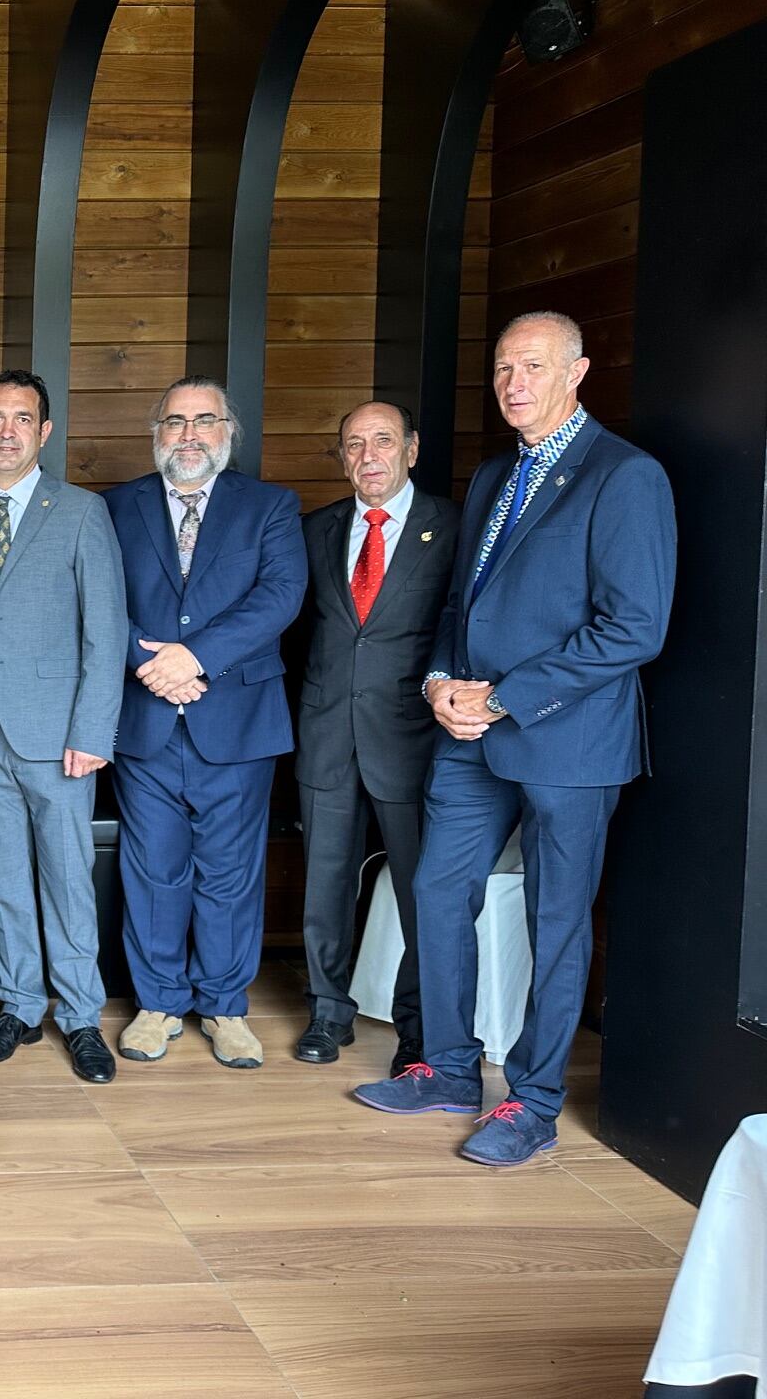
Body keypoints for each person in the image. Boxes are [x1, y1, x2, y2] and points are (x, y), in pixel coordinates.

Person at [354, 311, 676, 1166]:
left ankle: (531, 1103)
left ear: (576, 374)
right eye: (502, 367)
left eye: (532, 366)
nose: (513, 383)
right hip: (467, 735)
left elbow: (635, 627)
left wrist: (504, 699)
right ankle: (451, 1068)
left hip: (567, 743)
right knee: (435, 890)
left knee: (556, 922)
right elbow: (462, 607)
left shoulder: (624, 476)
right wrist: (438, 683)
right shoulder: (499, 476)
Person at [0, 369, 128, 1083]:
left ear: (44, 432)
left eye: (22, 418)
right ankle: (18, 1004)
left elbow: (105, 632)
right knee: (5, 880)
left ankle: (79, 1016)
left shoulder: (79, 512)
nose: (6, 430)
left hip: (58, 736)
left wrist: (93, 732)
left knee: (68, 879)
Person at [103, 376, 306, 1070]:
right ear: (156, 433)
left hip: (239, 719)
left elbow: (281, 595)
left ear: (229, 433)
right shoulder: (115, 507)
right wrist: (147, 663)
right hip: (145, 716)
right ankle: (157, 1004)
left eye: (205, 421)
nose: (189, 435)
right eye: (175, 422)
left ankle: (223, 1007)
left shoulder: (271, 506)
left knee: (230, 872)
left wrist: (196, 657)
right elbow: (96, 598)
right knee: (154, 867)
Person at [292, 401, 456, 1070]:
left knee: (421, 888)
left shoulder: (452, 526)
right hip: (327, 732)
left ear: (411, 450)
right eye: (354, 444)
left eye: (383, 441)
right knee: (325, 883)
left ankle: (417, 1028)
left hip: (411, 739)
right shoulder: (317, 529)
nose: (368, 456)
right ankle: (329, 1014)